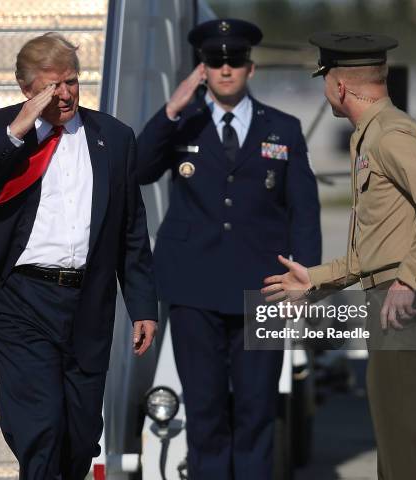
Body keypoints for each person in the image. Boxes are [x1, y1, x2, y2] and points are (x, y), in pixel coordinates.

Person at [0, 32, 158, 479]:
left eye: (71, 82)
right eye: (51, 86)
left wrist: (142, 306)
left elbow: (131, 229)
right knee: (40, 427)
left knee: (79, 435)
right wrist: (19, 129)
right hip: (19, 302)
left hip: (87, 305)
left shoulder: (113, 138)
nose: (65, 94)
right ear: (27, 90)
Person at [263, 32, 416, 480]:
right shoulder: (373, 134)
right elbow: (375, 248)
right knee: (400, 452)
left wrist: (408, 281)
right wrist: (315, 280)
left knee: (403, 457)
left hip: (410, 304)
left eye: (324, 79)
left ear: (338, 87)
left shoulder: (389, 136)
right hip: (401, 303)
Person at [137, 19, 321, 480]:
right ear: (203, 68)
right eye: (214, 61)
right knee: (205, 413)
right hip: (194, 290)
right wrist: (172, 109)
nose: (224, 69)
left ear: (250, 68)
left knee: (258, 412)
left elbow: (304, 211)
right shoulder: (183, 125)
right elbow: (138, 168)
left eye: (234, 61)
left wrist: (307, 279)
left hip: (264, 292)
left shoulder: (283, 129)